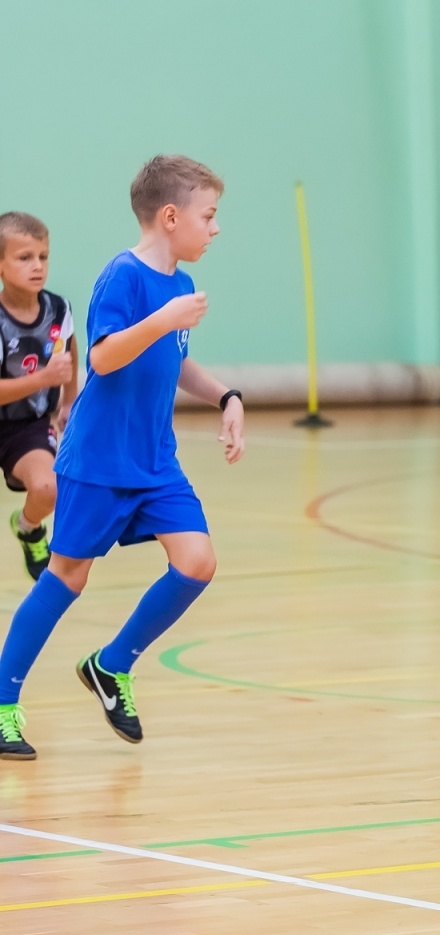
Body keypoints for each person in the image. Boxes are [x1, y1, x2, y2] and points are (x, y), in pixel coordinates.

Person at [0, 155, 245, 762]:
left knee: (197, 562)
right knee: (68, 577)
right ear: (170, 217)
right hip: (100, 461)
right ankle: (3, 701)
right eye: (208, 215)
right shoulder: (123, 277)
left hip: (156, 461)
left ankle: (111, 666)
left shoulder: (180, 287)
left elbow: (173, 360)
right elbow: (104, 357)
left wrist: (226, 396)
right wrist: (163, 319)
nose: (214, 229)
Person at [0, 212, 78, 581]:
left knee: (49, 487)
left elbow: (70, 349)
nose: (37, 266)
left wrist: (69, 399)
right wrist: (43, 378)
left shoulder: (59, 309)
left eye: (43, 257)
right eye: (24, 257)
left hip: (25, 427)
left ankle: (29, 528)